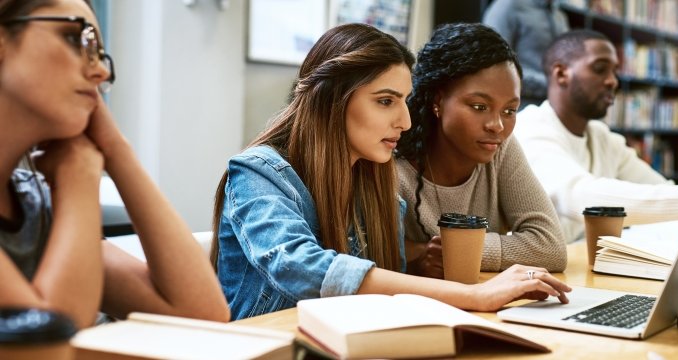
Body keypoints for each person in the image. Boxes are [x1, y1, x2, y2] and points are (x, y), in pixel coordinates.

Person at [211, 23, 571, 320]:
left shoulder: (373, 179)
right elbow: (304, 269)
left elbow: (387, 291)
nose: (405, 120)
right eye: (386, 101)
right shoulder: (258, 174)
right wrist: (473, 295)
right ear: (331, 100)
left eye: (403, 100)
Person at [0, 0, 230, 328]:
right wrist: (80, 175)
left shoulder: (34, 207)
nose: (100, 71)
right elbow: (45, 345)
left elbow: (202, 312)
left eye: (98, 53)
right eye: (74, 38)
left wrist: (116, 149)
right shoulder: (67, 185)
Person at [515, 30, 678, 243]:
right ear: (561, 74)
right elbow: (582, 197)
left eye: (615, 71)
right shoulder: (530, 128)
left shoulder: (601, 137)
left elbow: (663, 193)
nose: (613, 81)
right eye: (600, 69)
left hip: (578, 267)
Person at [395, 23, 566, 279]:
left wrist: (460, 250)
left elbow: (551, 248)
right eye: (479, 106)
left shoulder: (501, 149)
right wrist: (414, 259)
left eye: (509, 110)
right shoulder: (391, 161)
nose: (497, 126)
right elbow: (372, 255)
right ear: (438, 101)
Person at [483, 0, 569, 108]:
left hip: (554, 106)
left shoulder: (559, 15)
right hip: (519, 105)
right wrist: (552, 84)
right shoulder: (508, 5)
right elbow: (493, 62)